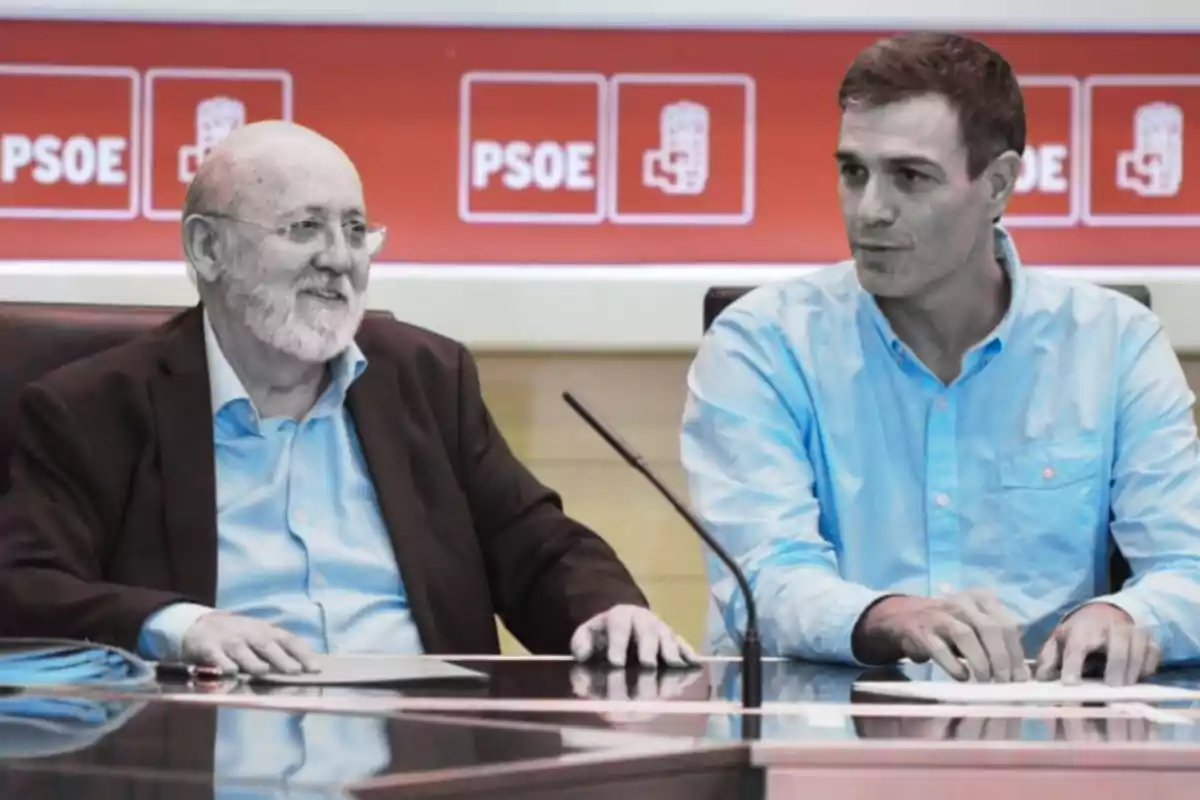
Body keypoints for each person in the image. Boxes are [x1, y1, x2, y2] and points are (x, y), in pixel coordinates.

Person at [0, 120, 695, 675]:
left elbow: (534, 543)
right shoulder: (92, 408)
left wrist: (605, 610)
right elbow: (24, 587)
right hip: (208, 748)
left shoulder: (425, 377)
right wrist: (182, 627)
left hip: (428, 758)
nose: (340, 257)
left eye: (356, 229)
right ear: (207, 249)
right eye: (305, 228)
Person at [681, 32, 1200, 686]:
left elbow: (1190, 566)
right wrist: (893, 616)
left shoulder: (1115, 343)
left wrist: (1128, 616)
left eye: (910, 176)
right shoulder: (760, 342)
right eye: (853, 172)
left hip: (1040, 748)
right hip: (818, 746)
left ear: (999, 184)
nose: (870, 210)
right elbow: (764, 574)